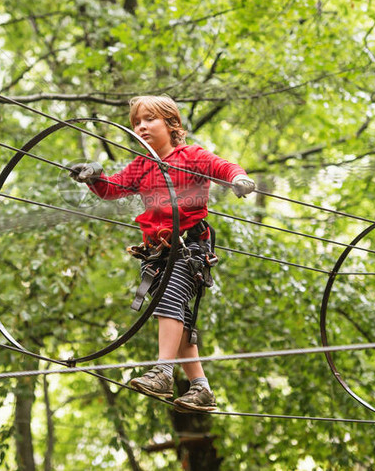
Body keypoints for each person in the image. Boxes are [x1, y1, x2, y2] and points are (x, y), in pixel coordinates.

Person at [69, 95, 256, 412]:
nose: (141, 126)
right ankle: (200, 388)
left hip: (190, 247)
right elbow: (113, 188)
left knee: (168, 300)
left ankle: (163, 373)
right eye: (136, 122)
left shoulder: (191, 156)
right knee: (177, 314)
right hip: (157, 254)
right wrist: (94, 177)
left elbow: (222, 166)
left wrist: (237, 178)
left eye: (149, 119)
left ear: (172, 125)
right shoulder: (142, 166)